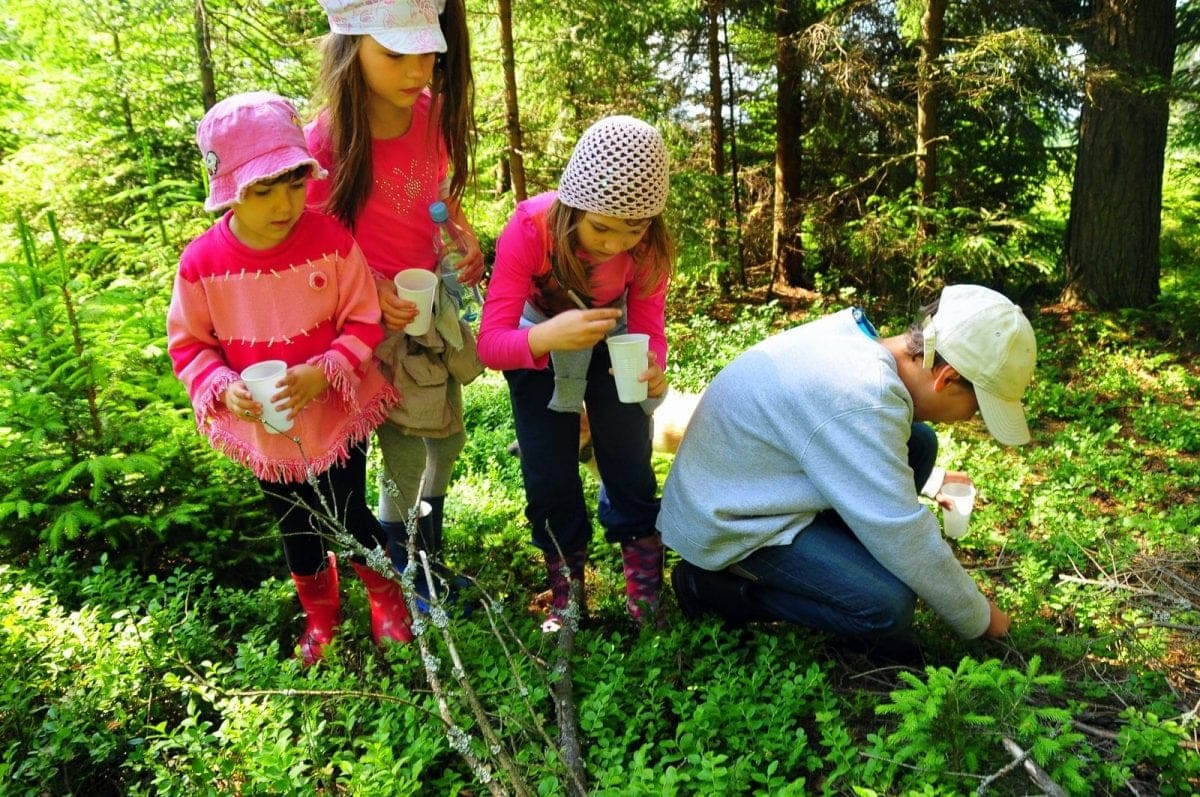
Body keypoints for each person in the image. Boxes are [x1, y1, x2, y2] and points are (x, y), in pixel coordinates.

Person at [167, 92, 413, 665]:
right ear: (229, 190)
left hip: (333, 412)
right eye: (264, 190)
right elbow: (190, 345)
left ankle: (386, 598)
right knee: (295, 522)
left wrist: (325, 370)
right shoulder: (203, 264)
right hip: (267, 429)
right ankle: (321, 615)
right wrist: (222, 387)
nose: (284, 204)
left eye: (295, 183)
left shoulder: (329, 241)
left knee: (351, 510)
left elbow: (362, 319)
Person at [660, 284, 1037, 645]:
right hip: (727, 521)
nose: (967, 419)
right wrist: (982, 618)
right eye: (975, 409)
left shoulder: (859, 345)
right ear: (947, 378)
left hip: (749, 484)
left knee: (918, 442)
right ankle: (710, 590)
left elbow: (833, 439)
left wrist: (930, 479)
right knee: (886, 606)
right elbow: (902, 533)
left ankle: (843, 554)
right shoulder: (864, 398)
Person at [306, 0, 483, 602]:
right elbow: (311, 243)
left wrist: (459, 235)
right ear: (350, 50)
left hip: (428, 310)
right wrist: (370, 289)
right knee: (406, 445)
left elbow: (433, 199)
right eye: (395, 55)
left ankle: (422, 551)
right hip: (371, 331)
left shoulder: (429, 117)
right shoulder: (326, 141)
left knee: (447, 436)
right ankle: (408, 566)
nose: (417, 72)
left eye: (427, 53)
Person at [477, 115, 675, 630]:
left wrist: (654, 366)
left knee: (629, 460)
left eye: (631, 229)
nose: (614, 244)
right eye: (601, 227)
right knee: (548, 472)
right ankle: (568, 597)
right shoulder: (529, 229)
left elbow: (650, 325)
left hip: (614, 338)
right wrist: (547, 337)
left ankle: (644, 593)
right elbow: (491, 343)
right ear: (572, 207)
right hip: (538, 340)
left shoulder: (649, 246)